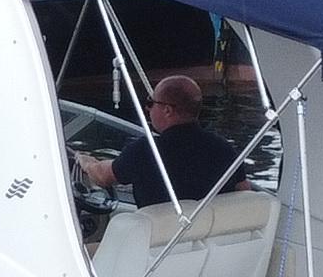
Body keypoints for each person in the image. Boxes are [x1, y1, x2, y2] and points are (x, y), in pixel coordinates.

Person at [81, 74, 237, 206]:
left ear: (167, 110)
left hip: (158, 232)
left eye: (151, 103)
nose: (147, 108)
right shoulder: (223, 148)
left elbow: (103, 177)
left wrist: (86, 162)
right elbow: (242, 189)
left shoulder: (145, 150)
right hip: (208, 230)